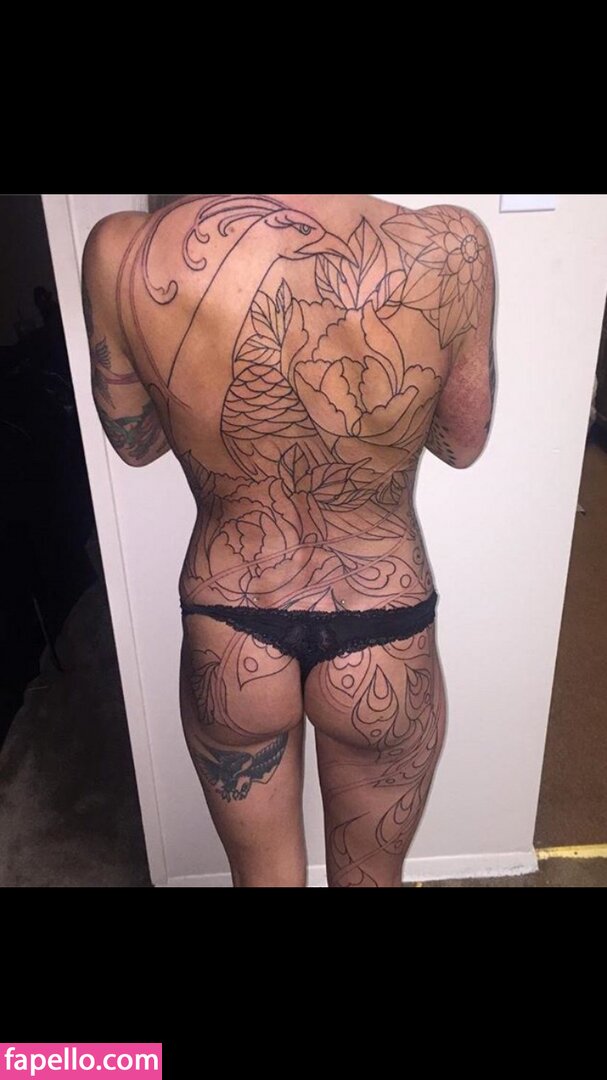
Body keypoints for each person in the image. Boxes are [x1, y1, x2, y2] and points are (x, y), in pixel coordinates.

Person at [82, 194, 496, 888]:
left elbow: (136, 443)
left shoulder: (123, 249)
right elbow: (462, 443)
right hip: (384, 623)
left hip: (230, 623)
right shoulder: (447, 243)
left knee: (262, 878)